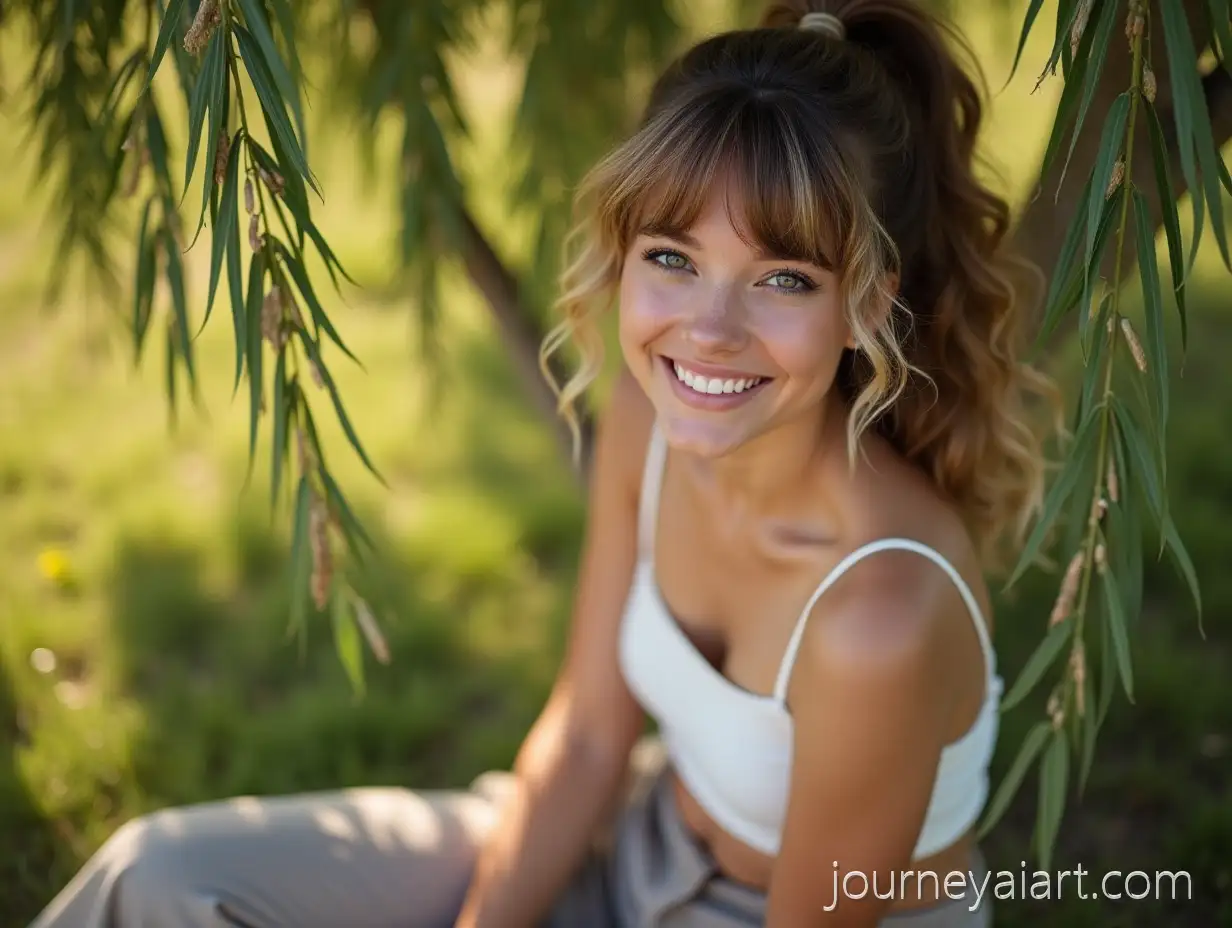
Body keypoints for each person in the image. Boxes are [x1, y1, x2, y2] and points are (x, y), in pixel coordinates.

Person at [31, 1, 1055, 925]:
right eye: (671, 258)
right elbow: (584, 740)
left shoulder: (880, 611)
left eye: (780, 278)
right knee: (158, 879)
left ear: (865, 305)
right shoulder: (643, 424)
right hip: (633, 842)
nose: (707, 331)